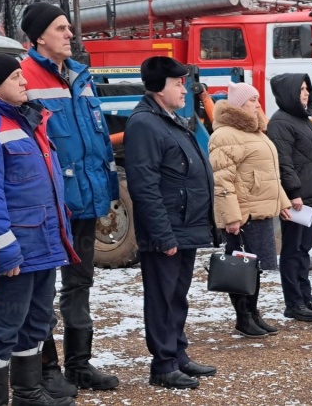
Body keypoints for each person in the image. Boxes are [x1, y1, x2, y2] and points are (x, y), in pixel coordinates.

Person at [0, 53, 75, 406]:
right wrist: (4, 250)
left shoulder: (26, 120)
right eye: (15, 77)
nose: (25, 82)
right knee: (4, 326)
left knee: (37, 321)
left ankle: (28, 393)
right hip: (16, 250)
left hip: (42, 244)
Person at [19, 3, 120, 394]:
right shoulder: (22, 76)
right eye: (61, 28)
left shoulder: (80, 75)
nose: (70, 34)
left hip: (86, 200)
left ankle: (79, 364)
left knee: (80, 284)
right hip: (50, 206)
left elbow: (96, 142)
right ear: (40, 36)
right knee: (41, 290)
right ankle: (45, 368)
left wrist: (107, 192)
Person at [124, 56, 217, 389]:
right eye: (178, 83)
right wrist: (163, 234)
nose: (184, 89)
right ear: (159, 87)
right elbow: (144, 185)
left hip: (185, 225)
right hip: (168, 229)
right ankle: (162, 365)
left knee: (177, 296)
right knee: (162, 298)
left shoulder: (170, 119)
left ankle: (177, 354)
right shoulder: (144, 124)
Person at [208, 82, 291, 338]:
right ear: (238, 106)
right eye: (251, 100)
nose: (257, 104)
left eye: (257, 99)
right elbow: (222, 181)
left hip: (260, 211)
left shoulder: (256, 132)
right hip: (243, 215)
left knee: (254, 268)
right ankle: (243, 318)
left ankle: (253, 314)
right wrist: (231, 217)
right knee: (241, 268)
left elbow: (268, 175)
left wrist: (283, 202)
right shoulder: (225, 135)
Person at [266, 73, 312, 322]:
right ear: (288, 92)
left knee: (303, 249)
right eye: (301, 89)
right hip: (297, 199)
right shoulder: (280, 122)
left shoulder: (301, 119)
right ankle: (293, 302)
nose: (306, 93)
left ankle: (306, 298)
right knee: (293, 251)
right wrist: (294, 193)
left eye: (307, 89)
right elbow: (284, 162)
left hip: (307, 197)